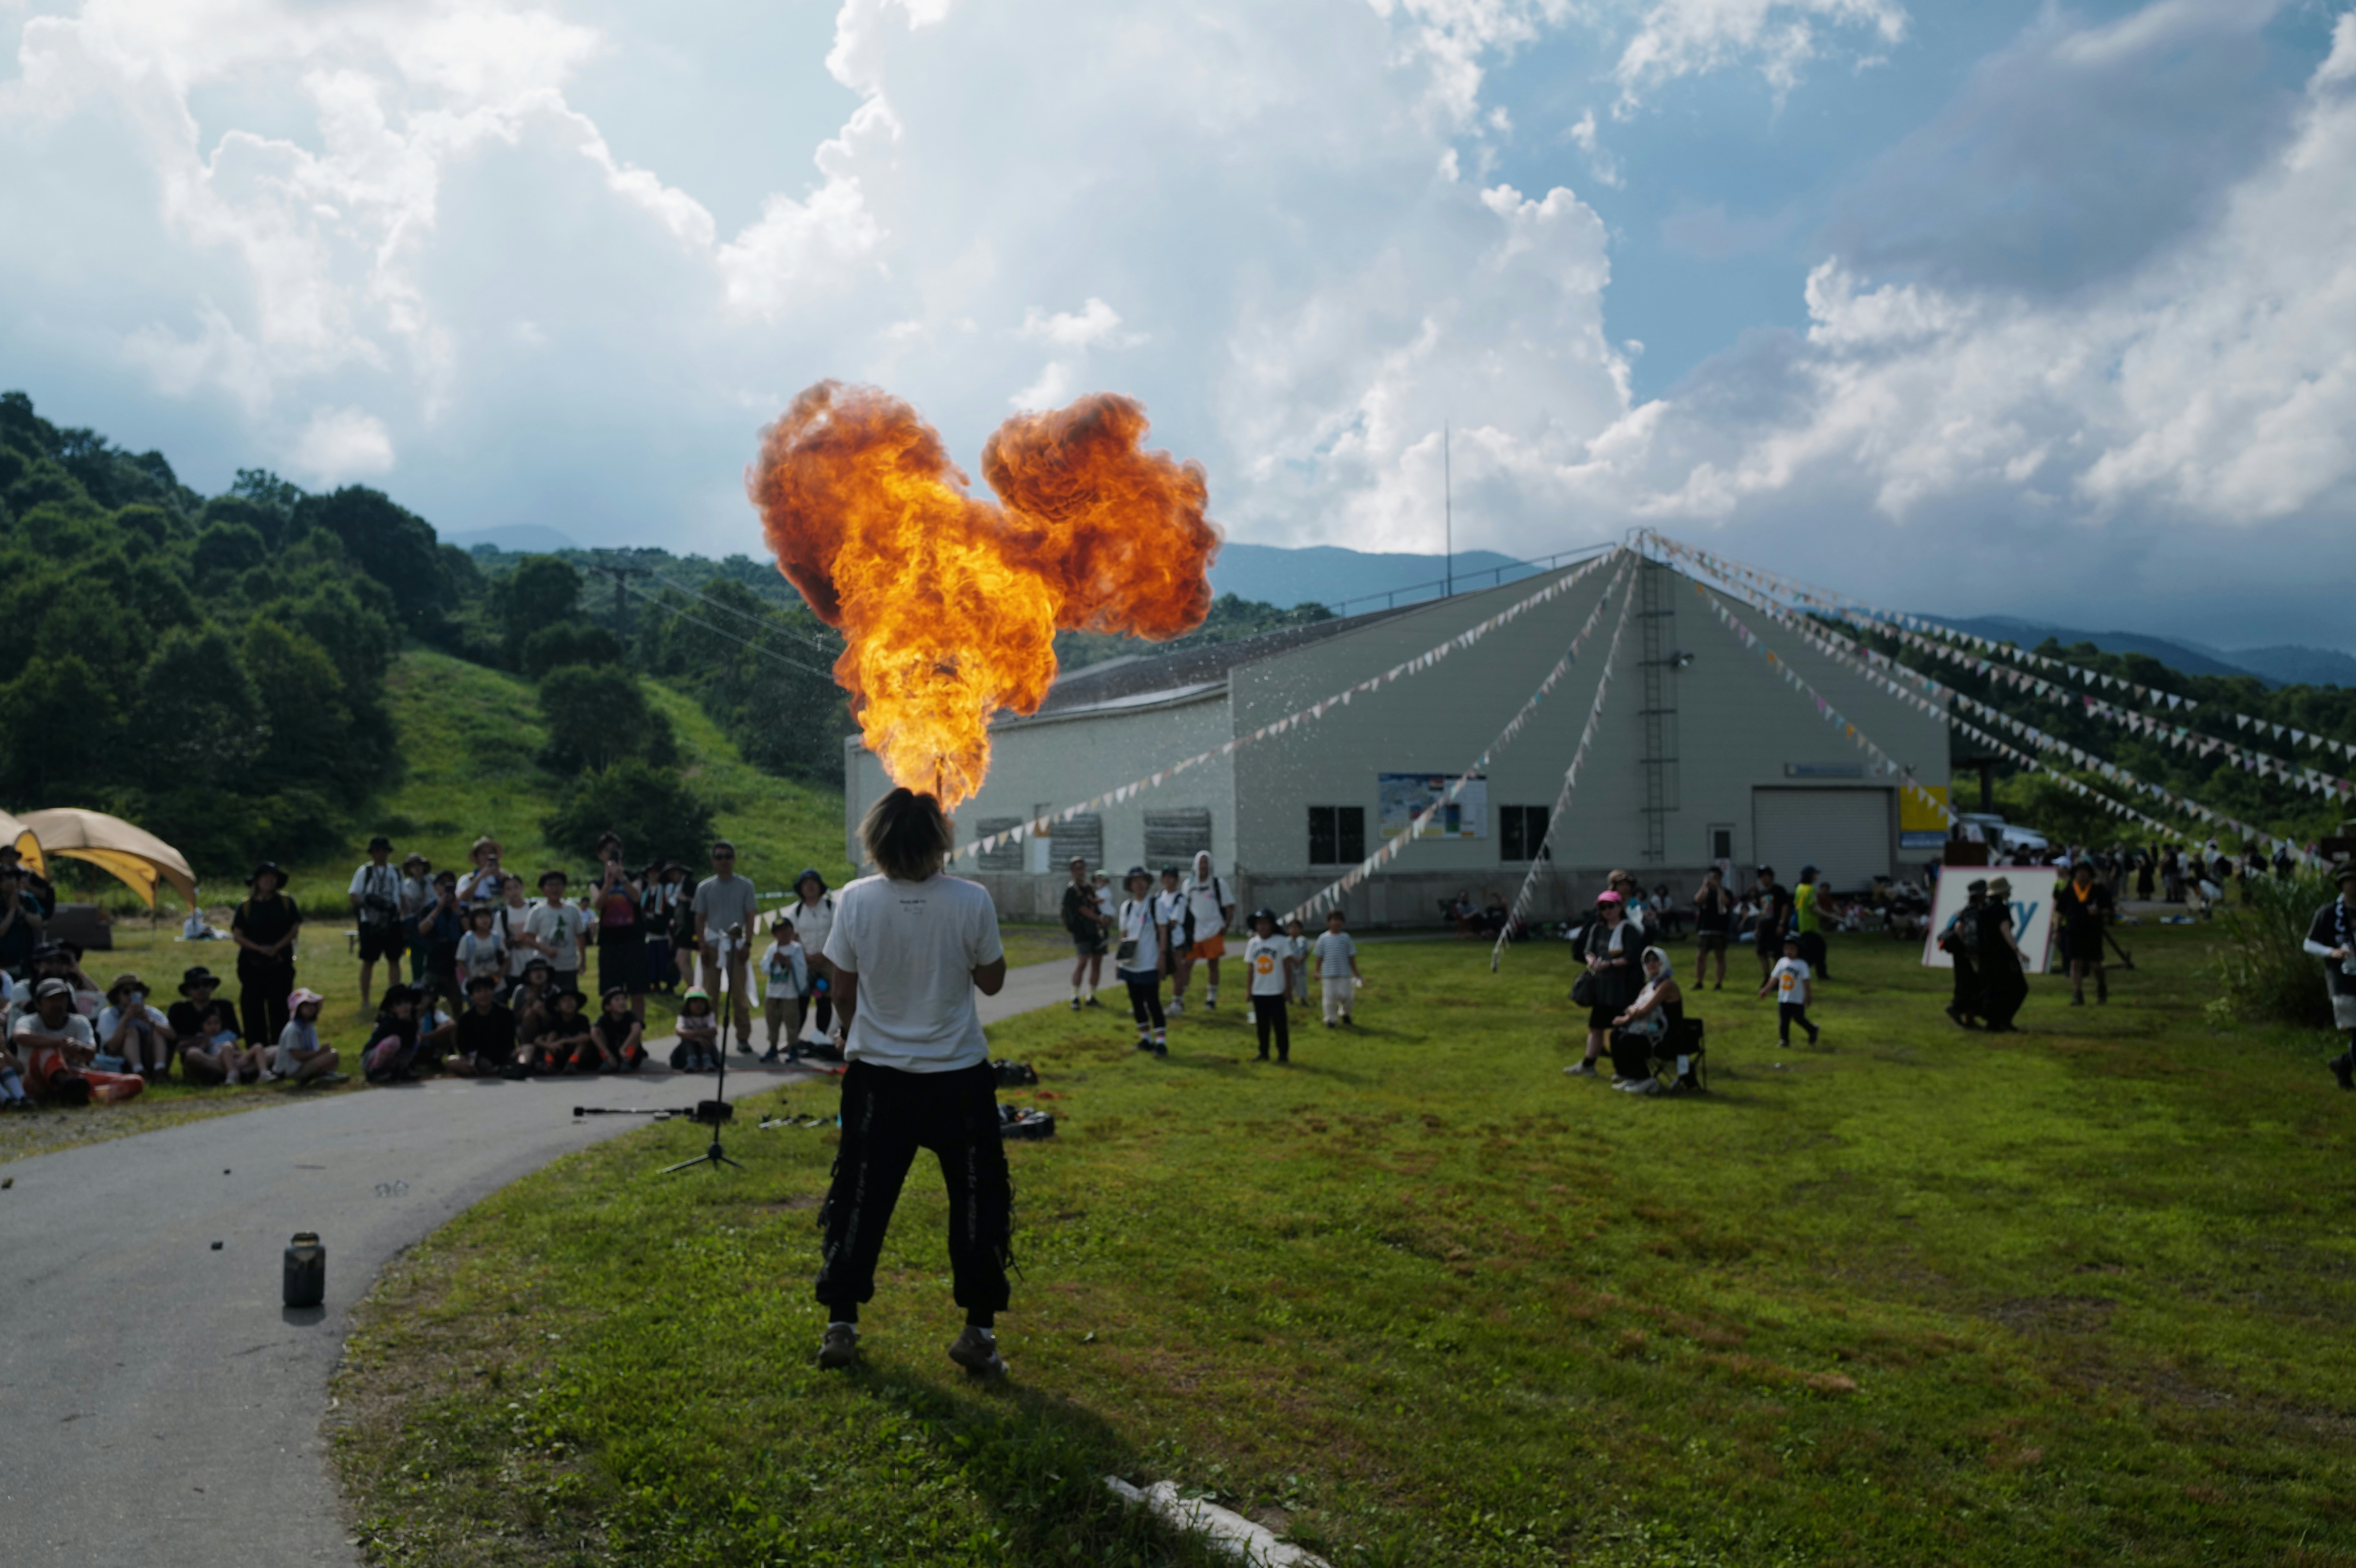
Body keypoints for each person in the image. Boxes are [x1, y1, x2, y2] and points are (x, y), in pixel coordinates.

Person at [813, 787, 1011, 1377]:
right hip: (958, 1078)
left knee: (859, 1196)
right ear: (938, 840)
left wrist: (851, 1033)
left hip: (878, 1080)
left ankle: (841, 1323)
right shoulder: (971, 899)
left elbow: (842, 989)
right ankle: (978, 1330)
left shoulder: (853, 899)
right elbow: (994, 981)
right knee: (978, 1199)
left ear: (876, 839)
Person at [15, 977, 140, 1103]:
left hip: (76, 1076)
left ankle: (82, 1095)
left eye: (61, 999)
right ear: (38, 1004)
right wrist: (60, 1043)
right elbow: (19, 1035)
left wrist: (79, 1048)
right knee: (49, 1049)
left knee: (135, 1082)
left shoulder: (79, 1022)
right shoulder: (29, 1021)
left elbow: (91, 1053)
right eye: (51, 1000)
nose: (57, 1004)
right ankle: (67, 1086)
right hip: (36, 1081)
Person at [693, 841, 760, 1047]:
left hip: (737, 946)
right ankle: (710, 1035)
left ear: (734, 859)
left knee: (739, 994)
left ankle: (743, 1037)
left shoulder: (745, 885)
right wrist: (702, 946)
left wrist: (748, 944)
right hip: (713, 946)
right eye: (719, 857)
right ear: (713, 861)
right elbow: (699, 918)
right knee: (710, 994)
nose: (724, 861)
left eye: (728, 857)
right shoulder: (705, 887)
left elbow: (751, 916)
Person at [231, 862, 302, 1051]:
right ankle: (257, 1051)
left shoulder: (287, 902)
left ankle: (282, 1049)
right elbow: (238, 935)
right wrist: (259, 949)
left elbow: (295, 928)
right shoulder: (246, 906)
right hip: (251, 965)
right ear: (256, 881)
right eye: (264, 877)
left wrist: (277, 947)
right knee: (253, 1009)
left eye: (273, 877)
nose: (269, 881)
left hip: (281, 964)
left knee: (280, 1007)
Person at [1567, 892, 1640, 1074]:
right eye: (1603, 908)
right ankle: (1588, 1065)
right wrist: (1591, 961)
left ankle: (1623, 1069)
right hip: (1601, 987)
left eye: (1611, 906)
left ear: (1620, 907)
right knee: (1596, 1027)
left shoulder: (1629, 930)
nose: (1608, 911)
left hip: (1622, 987)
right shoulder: (1597, 929)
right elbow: (1588, 951)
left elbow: (1632, 957)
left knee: (1621, 1030)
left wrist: (1610, 964)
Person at [1605, 946, 1685, 1095]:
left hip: (1669, 1037)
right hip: (1651, 1031)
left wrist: (1630, 1012)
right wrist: (1626, 1018)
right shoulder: (1649, 987)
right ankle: (1630, 1076)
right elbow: (1635, 1008)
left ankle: (1645, 1079)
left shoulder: (1667, 985)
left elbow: (1642, 1011)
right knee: (1616, 1035)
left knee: (1629, 1040)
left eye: (1656, 960)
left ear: (1664, 962)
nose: (1652, 964)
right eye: (1647, 961)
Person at [2308, 864, 2356, 1090]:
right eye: (2350, 880)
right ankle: (2344, 1066)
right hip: (2342, 979)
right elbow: (2309, 943)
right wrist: (2331, 952)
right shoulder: (2328, 913)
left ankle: (2343, 1064)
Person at [1113, 866, 1169, 1056]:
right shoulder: (1127, 907)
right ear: (1130, 885)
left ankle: (1161, 1042)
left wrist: (1162, 956)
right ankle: (1146, 1039)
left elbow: (1163, 932)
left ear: (1147, 883)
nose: (1139, 884)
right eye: (1135, 881)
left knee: (1153, 1002)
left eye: (1142, 880)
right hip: (1131, 964)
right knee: (1136, 1003)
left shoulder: (1157, 904)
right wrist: (1119, 960)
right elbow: (1124, 934)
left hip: (1150, 962)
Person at [591, 848, 650, 1022]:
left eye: (615, 852)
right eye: (606, 852)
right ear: (601, 856)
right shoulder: (597, 882)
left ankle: (637, 1032)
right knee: (611, 994)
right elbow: (598, 905)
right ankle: (612, 1033)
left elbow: (637, 897)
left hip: (634, 942)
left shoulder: (635, 877)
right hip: (610, 944)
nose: (611, 857)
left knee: (637, 992)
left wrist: (622, 878)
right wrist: (608, 884)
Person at [349, 835, 406, 1010]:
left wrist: (402, 915)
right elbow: (353, 895)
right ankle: (365, 1000)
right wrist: (370, 903)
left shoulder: (396, 872)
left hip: (392, 921)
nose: (381, 854)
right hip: (371, 922)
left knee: (395, 960)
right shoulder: (364, 872)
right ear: (372, 853)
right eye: (377, 851)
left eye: (384, 850)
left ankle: (394, 998)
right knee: (368, 961)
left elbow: (403, 897)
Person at [786, 869, 839, 1048]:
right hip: (805, 964)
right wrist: (805, 957)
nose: (810, 887)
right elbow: (791, 938)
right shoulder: (796, 912)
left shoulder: (833, 908)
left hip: (828, 963)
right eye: (805, 883)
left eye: (814, 882)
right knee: (801, 1002)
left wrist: (825, 956)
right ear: (800, 888)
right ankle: (793, 1041)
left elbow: (839, 933)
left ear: (820, 886)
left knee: (824, 1001)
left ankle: (820, 1040)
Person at [1975, 876, 2029, 1033]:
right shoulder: (2001, 908)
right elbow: (2005, 930)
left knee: (1994, 989)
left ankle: (1993, 1023)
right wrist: (2017, 951)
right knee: (2019, 988)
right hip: (2002, 955)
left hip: (1986, 955)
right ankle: (2005, 1020)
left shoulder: (1984, 908)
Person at [2056, 861, 2114, 1006]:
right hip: (2074, 931)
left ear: (2090, 874)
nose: (2082, 875)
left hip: (2092, 931)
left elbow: (2110, 910)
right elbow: (2061, 913)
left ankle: (2101, 986)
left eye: (2085, 872)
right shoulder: (2069, 890)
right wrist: (2057, 931)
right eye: (2079, 872)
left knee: (2096, 964)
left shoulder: (2098, 890)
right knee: (2075, 963)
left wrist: (2099, 912)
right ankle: (2078, 994)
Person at [96, 973, 172, 1081]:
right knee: (132, 1032)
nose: (132, 996)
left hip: (149, 1057)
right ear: (118, 996)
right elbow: (112, 1047)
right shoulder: (108, 1015)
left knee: (158, 1030)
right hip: (121, 1062)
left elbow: (172, 1035)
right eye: (127, 992)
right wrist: (125, 1019)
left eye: (136, 991)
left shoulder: (151, 1013)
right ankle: (139, 1071)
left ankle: (159, 1070)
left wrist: (150, 1022)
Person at [1243, 907, 1294, 1064]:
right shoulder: (1253, 943)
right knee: (1262, 1026)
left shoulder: (1281, 941)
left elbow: (1287, 965)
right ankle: (1263, 1052)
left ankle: (1283, 1054)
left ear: (1272, 925)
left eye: (1265, 923)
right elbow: (1251, 968)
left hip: (1277, 991)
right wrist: (1249, 989)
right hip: (1259, 991)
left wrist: (1288, 988)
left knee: (1280, 1025)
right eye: (1259, 924)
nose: (1262, 927)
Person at [446, 974, 521, 1078]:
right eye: (478, 992)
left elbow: (510, 1042)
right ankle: (491, 1071)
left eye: (487, 990)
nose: (483, 995)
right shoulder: (466, 1018)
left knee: (527, 1050)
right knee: (451, 1062)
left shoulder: (505, 1013)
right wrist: (479, 1059)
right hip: (477, 1059)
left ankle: (517, 1068)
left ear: (493, 991)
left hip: (504, 1056)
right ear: (471, 996)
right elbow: (463, 1046)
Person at [757, 915, 810, 1064]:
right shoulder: (772, 948)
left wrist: (789, 962)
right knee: (772, 1022)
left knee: (792, 1022)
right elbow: (764, 968)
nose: (784, 934)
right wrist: (773, 961)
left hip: (790, 994)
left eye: (787, 930)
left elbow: (802, 969)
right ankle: (773, 1047)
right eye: (779, 931)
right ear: (775, 934)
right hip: (773, 993)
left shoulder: (797, 948)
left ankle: (793, 1048)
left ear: (792, 932)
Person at [169, 968, 234, 1085]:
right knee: (194, 1054)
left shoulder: (225, 1006)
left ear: (212, 987)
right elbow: (174, 1040)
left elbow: (235, 1040)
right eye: (195, 986)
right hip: (200, 1060)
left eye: (206, 984)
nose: (202, 989)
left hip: (227, 1056)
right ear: (188, 990)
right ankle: (233, 1073)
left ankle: (230, 1073)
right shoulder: (179, 1010)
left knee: (269, 1051)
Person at [527, 870, 587, 995]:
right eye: (551, 885)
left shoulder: (572, 910)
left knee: (569, 1000)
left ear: (564, 888)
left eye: (559, 884)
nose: (555, 889)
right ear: (543, 889)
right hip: (545, 967)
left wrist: (583, 960)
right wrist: (544, 949)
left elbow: (580, 936)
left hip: (569, 965)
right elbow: (528, 938)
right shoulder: (537, 911)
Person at [1939, 879, 1988, 1029]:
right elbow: (1959, 927)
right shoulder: (1972, 910)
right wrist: (1968, 945)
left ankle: (1967, 1016)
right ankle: (1960, 1011)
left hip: (1962, 953)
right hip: (1966, 953)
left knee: (1968, 984)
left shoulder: (1967, 909)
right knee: (1972, 984)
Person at [1062, 856, 1107, 1010]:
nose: (1080, 872)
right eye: (1076, 869)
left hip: (1095, 930)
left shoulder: (1090, 888)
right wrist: (1099, 919)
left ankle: (1091, 996)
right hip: (1082, 931)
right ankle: (1075, 996)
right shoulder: (1071, 890)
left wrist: (1107, 917)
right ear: (1071, 872)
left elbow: (1097, 906)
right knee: (1082, 962)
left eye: (1082, 868)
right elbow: (1082, 909)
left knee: (1097, 962)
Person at [1759, 932, 1820, 1047]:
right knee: (1784, 1020)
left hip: (1797, 998)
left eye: (1792, 948)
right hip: (1784, 997)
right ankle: (1784, 1041)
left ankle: (1812, 1030)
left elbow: (1806, 982)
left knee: (1799, 1018)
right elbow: (1775, 978)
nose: (1789, 951)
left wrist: (1808, 996)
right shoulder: (1782, 962)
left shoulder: (1802, 965)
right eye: (1787, 948)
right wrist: (1766, 990)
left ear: (1799, 950)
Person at [362, 983, 430, 1083]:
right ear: (392, 1008)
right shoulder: (389, 1022)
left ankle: (401, 1070)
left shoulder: (413, 1021)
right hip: (372, 1057)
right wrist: (402, 1024)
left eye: (407, 1002)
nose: (405, 1006)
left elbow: (409, 1043)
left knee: (417, 1039)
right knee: (395, 1041)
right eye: (399, 1004)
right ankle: (375, 1072)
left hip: (395, 1056)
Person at [274, 989, 344, 1085]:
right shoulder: (293, 1029)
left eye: (313, 1005)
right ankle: (319, 1076)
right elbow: (298, 1056)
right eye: (306, 1005)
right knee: (332, 1055)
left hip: (302, 1065)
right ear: (298, 1008)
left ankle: (323, 1075)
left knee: (332, 1054)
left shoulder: (308, 1027)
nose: (311, 1008)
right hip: (294, 1070)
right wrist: (320, 1052)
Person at [1313, 906, 1363, 1028]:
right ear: (1328, 922)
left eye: (1340, 920)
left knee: (1347, 996)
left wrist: (1356, 974)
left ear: (1343, 922)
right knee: (1329, 999)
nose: (1337, 922)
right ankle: (1331, 1020)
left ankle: (1345, 1013)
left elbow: (1351, 957)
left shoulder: (1346, 938)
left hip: (1344, 974)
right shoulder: (1323, 939)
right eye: (1334, 920)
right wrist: (1317, 971)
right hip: (1328, 975)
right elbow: (1319, 957)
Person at [0, 861, 46, 979]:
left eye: (12, 877)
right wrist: (12, 911)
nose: (9, 882)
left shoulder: (28, 900)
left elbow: (38, 922)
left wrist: (20, 910)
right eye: (4, 879)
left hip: (25, 962)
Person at [1154, 866, 1189, 1014]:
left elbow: (1173, 921)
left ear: (1177, 880)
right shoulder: (1159, 897)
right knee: (1156, 971)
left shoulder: (1180, 899)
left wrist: (1160, 925)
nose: (1169, 881)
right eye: (1166, 877)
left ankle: (1177, 1003)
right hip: (1160, 939)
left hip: (1175, 940)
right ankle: (1152, 1001)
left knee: (1177, 971)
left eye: (1172, 877)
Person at [1691, 867, 1733, 991]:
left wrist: (1718, 888)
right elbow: (1697, 900)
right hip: (1705, 928)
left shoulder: (1726, 892)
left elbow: (1726, 903)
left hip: (1720, 929)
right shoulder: (1706, 892)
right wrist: (1705, 886)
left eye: (1716, 877)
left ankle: (1718, 983)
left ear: (1720, 878)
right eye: (1711, 877)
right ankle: (1699, 982)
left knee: (1720, 957)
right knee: (1700, 957)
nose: (1713, 880)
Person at [1750, 865, 1793, 984]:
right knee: (1761, 952)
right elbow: (1761, 912)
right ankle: (1767, 977)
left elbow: (1785, 907)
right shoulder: (1762, 893)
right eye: (1762, 877)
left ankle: (1778, 979)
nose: (1764, 879)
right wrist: (1757, 928)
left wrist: (1782, 923)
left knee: (1777, 953)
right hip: (1765, 926)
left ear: (1772, 877)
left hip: (1776, 926)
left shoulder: (1779, 890)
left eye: (1766, 877)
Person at [397, 852, 435, 985]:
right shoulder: (407, 885)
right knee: (417, 955)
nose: (417, 868)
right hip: (415, 923)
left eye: (419, 865)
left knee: (434, 955)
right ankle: (417, 982)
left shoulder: (433, 881)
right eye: (413, 866)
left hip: (433, 921)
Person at [537, 988, 596, 1072]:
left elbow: (586, 1037)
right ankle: (549, 1062)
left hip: (578, 1054)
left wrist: (564, 1041)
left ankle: (572, 1063)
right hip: (559, 1052)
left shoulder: (582, 1019)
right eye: (564, 1001)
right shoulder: (555, 1021)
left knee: (582, 1041)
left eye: (572, 1000)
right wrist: (550, 1046)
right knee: (552, 1035)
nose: (569, 1003)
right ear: (557, 1007)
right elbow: (538, 1040)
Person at [590, 987, 646, 1073]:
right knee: (598, 1032)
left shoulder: (630, 1016)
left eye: (624, 999)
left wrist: (623, 1050)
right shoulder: (605, 1019)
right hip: (610, 1053)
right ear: (608, 1007)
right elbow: (594, 1033)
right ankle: (606, 1061)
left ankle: (627, 1062)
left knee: (637, 1034)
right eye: (617, 1000)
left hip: (627, 1052)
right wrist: (607, 1054)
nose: (622, 1002)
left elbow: (637, 1029)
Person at [456, 904, 506, 992]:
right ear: (474, 920)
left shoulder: (497, 937)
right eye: (481, 917)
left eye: (487, 917)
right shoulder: (467, 939)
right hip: (474, 987)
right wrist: (472, 978)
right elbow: (460, 962)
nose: (485, 920)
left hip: (496, 986)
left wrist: (498, 976)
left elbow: (507, 959)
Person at [1794, 865, 1830, 980]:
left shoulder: (1799, 888)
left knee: (1814, 950)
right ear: (1810, 876)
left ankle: (1817, 974)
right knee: (1818, 949)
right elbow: (1814, 907)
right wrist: (1829, 915)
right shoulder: (1810, 890)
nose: (1817, 876)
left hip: (1803, 925)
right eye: (1816, 874)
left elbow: (1797, 905)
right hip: (1811, 925)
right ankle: (1803, 972)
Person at [671, 987, 720, 1072]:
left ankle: (707, 1060)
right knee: (687, 1038)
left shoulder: (710, 1015)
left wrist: (696, 1034)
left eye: (702, 1001)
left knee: (705, 1035)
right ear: (688, 1004)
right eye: (695, 1001)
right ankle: (691, 1061)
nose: (699, 1005)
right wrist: (698, 1039)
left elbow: (713, 1031)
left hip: (708, 1047)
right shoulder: (684, 1017)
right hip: (688, 1050)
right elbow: (680, 1032)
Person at [456, 836, 505, 905]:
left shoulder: (502, 875)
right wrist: (481, 876)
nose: (488, 856)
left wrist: (502, 877)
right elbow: (462, 898)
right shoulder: (467, 879)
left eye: (491, 852)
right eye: (483, 853)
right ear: (477, 857)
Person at [1285, 916, 1311, 1007]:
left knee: (1301, 984)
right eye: (1292, 928)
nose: (1294, 930)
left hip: (1301, 966)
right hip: (1290, 967)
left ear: (1300, 929)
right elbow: (1286, 954)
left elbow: (1307, 952)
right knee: (1290, 983)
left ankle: (1303, 999)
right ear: (1288, 930)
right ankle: (1290, 998)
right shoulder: (1286, 941)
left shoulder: (1303, 940)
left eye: (1297, 928)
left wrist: (1301, 959)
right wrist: (1293, 960)